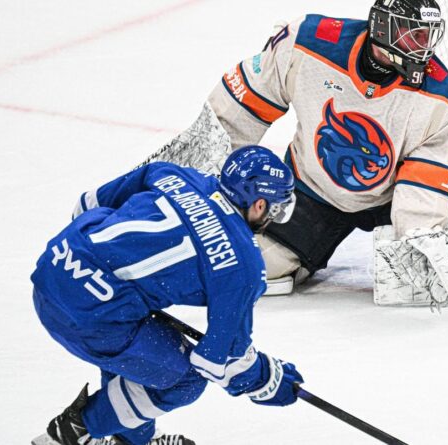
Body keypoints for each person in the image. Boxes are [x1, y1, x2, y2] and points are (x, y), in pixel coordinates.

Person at [149, 0, 448, 303]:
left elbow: (426, 181)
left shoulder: (446, 98)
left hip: (397, 193)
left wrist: (421, 235)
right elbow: (239, 110)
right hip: (311, 190)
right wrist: (189, 180)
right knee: (256, 267)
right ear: (383, 29)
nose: (423, 48)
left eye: (428, 37)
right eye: (413, 36)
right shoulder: (309, 43)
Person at [30, 146, 304, 445]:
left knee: (145, 342)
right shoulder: (242, 267)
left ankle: (133, 438)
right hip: (88, 317)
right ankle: (72, 433)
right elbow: (219, 360)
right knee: (184, 380)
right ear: (260, 204)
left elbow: (86, 206)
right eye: (276, 209)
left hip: (51, 273)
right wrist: (267, 379)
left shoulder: (172, 174)